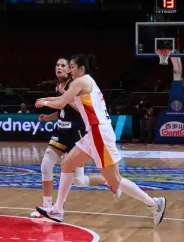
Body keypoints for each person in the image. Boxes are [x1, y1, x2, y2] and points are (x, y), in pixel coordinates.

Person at [34, 54, 166, 226]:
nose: (70, 70)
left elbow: (60, 103)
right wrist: (48, 100)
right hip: (93, 133)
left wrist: (44, 101)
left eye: (72, 66)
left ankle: (154, 204)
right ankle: (58, 210)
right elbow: (64, 101)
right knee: (67, 164)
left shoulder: (79, 82)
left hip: (99, 133)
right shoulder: (86, 82)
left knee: (115, 180)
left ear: (81, 68)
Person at [30, 58, 118, 218]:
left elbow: (66, 104)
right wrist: (50, 117)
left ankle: (109, 181)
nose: (60, 68)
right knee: (46, 164)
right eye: (57, 65)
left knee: (79, 181)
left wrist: (47, 101)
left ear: (71, 70)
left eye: (64, 66)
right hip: (61, 132)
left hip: (77, 133)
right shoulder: (59, 86)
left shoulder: (76, 85)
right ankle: (48, 206)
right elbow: (63, 109)